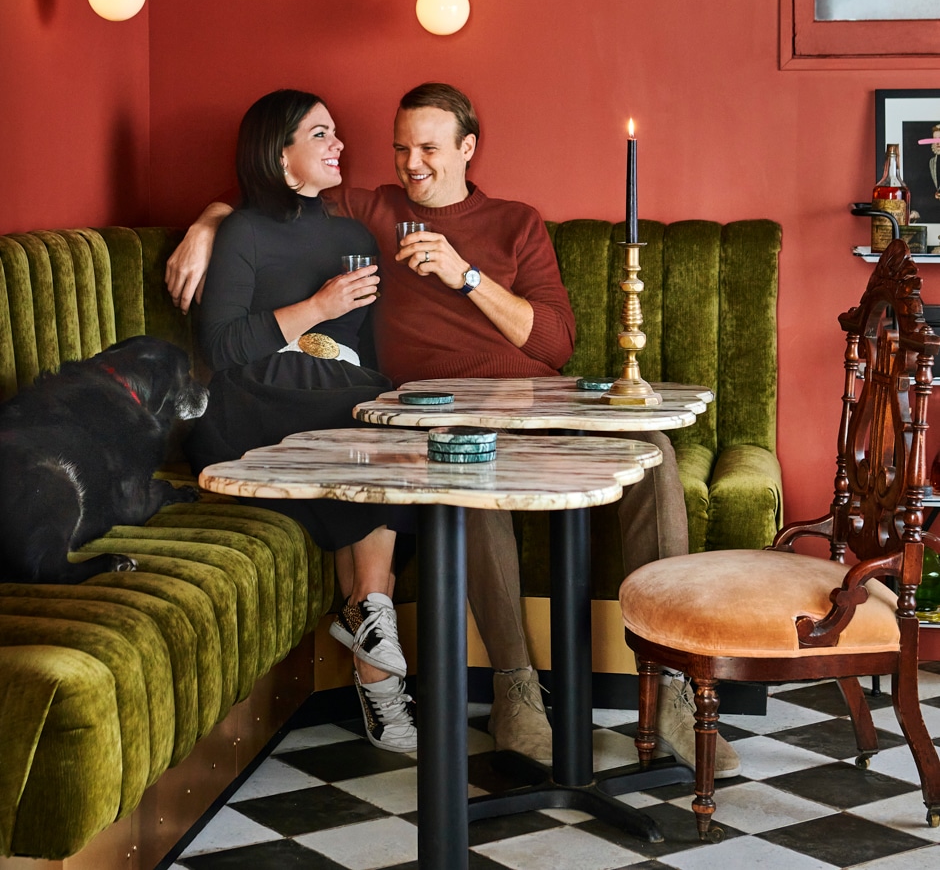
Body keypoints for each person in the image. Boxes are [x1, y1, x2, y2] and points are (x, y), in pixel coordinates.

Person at [167, 82, 740, 777]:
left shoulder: (514, 221)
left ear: (467, 149)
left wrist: (465, 275)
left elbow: (555, 342)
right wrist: (208, 221)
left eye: (429, 148)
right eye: (402, 147)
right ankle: (516, 692)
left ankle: (671, 684)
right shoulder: (371, 211)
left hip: (534, 395)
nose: (412, 163)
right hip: (446, 410)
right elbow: (275, 187)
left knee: (653, 451)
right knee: (470, 472)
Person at [188, 88, 417, 754]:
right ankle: (374, 648)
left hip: (332, 394)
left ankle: (369, 620)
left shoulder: (352, 235)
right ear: (280, 154)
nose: (338, 143)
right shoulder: (241, 233)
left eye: (336, 131)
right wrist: (315, 307)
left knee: (385, 413)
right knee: (357, 405)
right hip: (249, 402)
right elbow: (222, 350)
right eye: (320, 134)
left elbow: (364, 356)